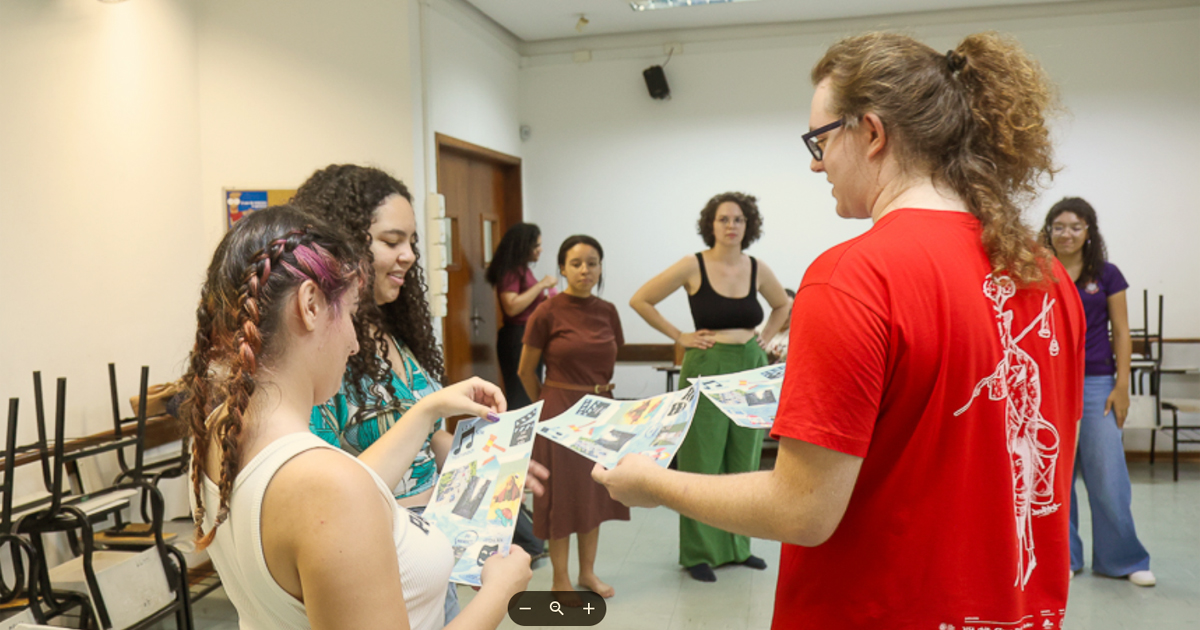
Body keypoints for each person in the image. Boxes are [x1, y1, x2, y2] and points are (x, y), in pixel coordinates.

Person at [594, 32, 1088, 628]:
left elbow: (803, 510)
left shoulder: (854, 276)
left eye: (820, 139)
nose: (814, 162)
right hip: (1013, 611)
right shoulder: (1045, 275)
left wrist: (657, 484)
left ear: (872, 133)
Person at [180, 205, 537, 630]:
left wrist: (427, 409)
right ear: (310, 304)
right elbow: (340, 492)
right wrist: (500, 592)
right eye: (349, 314)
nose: (353, 343)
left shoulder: (220, 432)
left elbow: (350, 488)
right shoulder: (326, 485)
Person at [292, 165, 462, 621]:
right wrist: (427, 413)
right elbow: (327, 496)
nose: (408, 255)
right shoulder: (324, 351)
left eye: (412, 243)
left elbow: (425, 442)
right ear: (345, 243)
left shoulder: (392, 329)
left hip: (431, 550)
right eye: (391, 242)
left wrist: (490, 457)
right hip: (382, 568)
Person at [628, 191, 791, 582]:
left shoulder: (757, 267)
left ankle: (739, 547)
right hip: (707, 365)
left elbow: (783, 304)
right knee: (702, 459)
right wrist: (679, 336)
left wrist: (765, 337)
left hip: (749, 366)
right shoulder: (692, 265)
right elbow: (641, 299)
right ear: (711, 225)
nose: (731, 225)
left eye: (738, 219)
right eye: (724, 219)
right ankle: (699, 552)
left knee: (745, 458)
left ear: (748, 225)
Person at [1043, 196, 1154, 587]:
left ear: (1089, 232)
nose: (1067, 234)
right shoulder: (1039, 272)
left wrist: (1122, 386)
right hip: (1050, 384)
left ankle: (1124, 559)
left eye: (1076, 226)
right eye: (1059, 226)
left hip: (1097, 384)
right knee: (1056, 476)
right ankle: (1064, 557)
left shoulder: (1106, 274)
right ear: (1049, 231)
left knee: (1108, 476)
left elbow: (1121, 332)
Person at [517, 235, 626, 598]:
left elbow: (609, 358)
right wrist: (547, 410)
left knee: (595, 493)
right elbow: (525, 370)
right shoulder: (546, 311)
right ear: (562, 268)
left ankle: (588, 574)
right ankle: (559, 580)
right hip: (559, 410)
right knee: (561, 496)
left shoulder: (608, 310)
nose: (584, 270)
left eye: (592, 263)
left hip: (602, 409)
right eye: (576, 263)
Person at [485, 222, 556, 409]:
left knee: (531, 394)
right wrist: (541, 286)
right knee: (521, 397)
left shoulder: (523, 269)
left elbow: (526, 302)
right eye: (536, 245)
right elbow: (511, 306)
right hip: (517, 337)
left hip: (529, 335)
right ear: (524, 246)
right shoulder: (511, 270)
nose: (540, 250)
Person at [764, 288, 796, 364]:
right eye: (783, 311)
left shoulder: (797, 334)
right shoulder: (762, 328)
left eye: (789, 312)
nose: (786, 316)